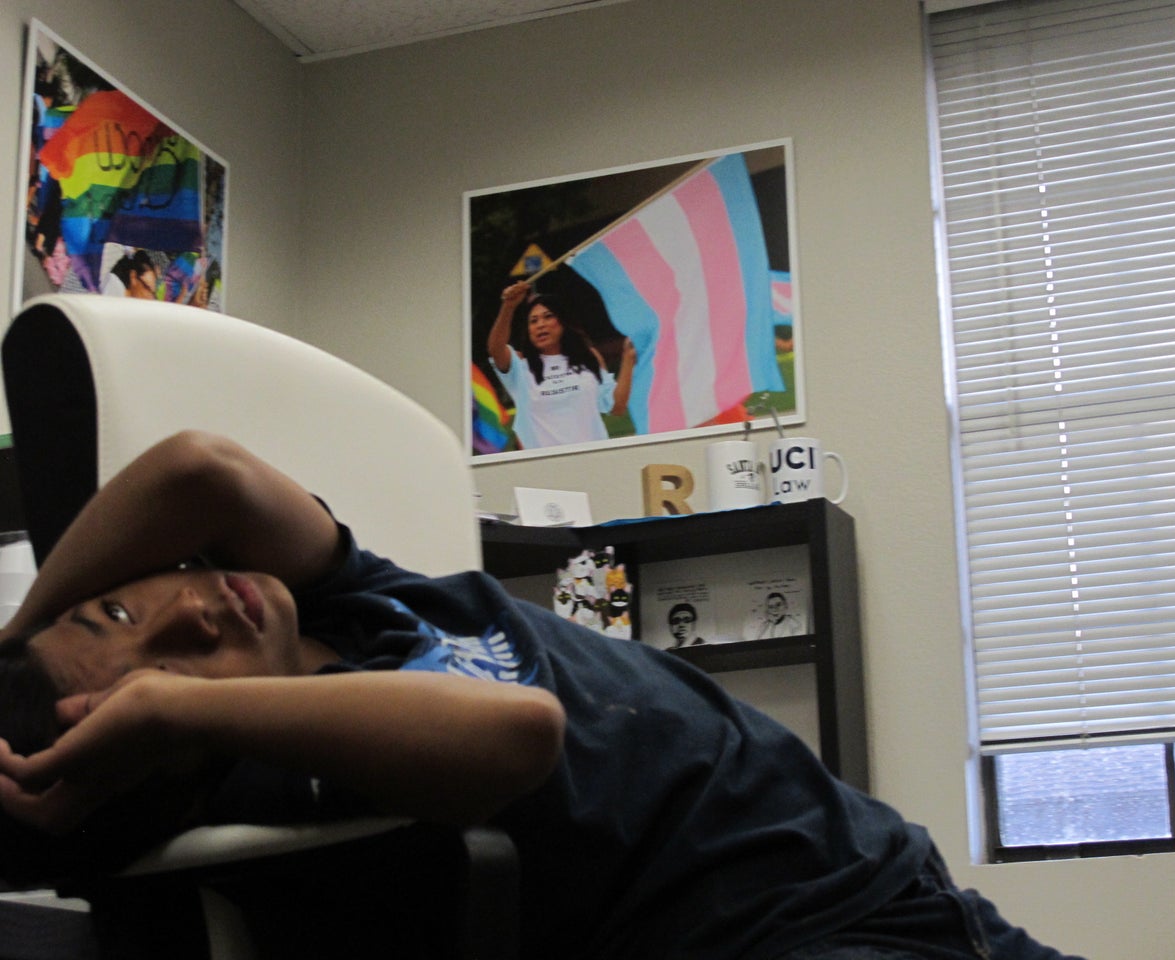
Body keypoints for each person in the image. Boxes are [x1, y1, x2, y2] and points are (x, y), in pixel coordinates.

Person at [0, 432, 1086, 960]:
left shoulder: (353, 603)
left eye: (116, 610)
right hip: (797, 939)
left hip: (896, 878)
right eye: (173, 674)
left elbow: (200, 470)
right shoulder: (311, 775)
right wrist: (172, 708)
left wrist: (16, 637)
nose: (197, 609)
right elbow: (517, 732)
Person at [487, 280, 636, 449]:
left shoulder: (588, 357)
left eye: (548, 316)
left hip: (593, 459)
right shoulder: (520, 365)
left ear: (563, 322)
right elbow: (495, 349)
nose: (540, 325)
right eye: (533, 321)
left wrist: (628, 359)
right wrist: (509, 307)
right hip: (543, 466)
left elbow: (617, 406)